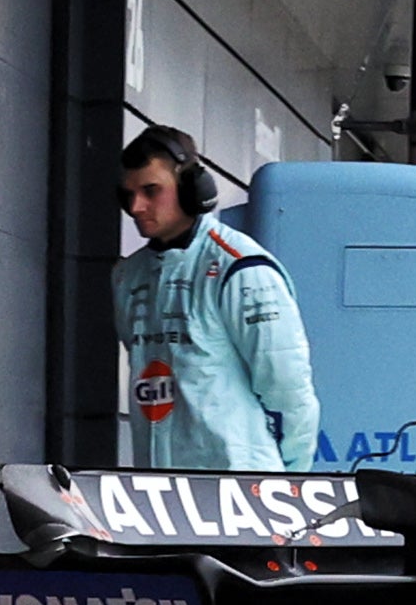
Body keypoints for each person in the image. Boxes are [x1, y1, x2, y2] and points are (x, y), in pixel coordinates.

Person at [114, 124, 311, 475]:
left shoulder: (242, 269)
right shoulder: (127, 277)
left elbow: (288, 393)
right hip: (161, 492)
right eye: (127, 194)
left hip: (243, 495)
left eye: (151, 190)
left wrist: (291, 486)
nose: (136, 206)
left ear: (193, 190)